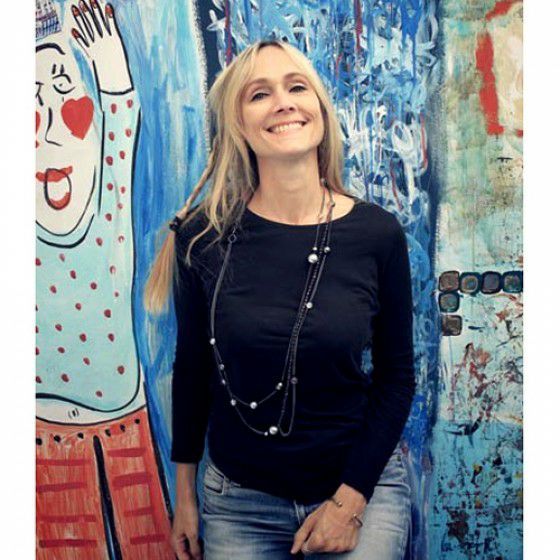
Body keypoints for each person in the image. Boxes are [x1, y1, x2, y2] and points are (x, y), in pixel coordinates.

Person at [144, 39, 416, 560]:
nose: (284, 103)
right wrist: (185, 498)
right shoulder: (202, 239)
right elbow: (193, 371)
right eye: (259, 94)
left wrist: (349, 502)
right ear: (238, 125)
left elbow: (397, 377)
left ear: (320, 109)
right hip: (238, 504)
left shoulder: (378, 234)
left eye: (297, 87)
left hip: (359, 487)